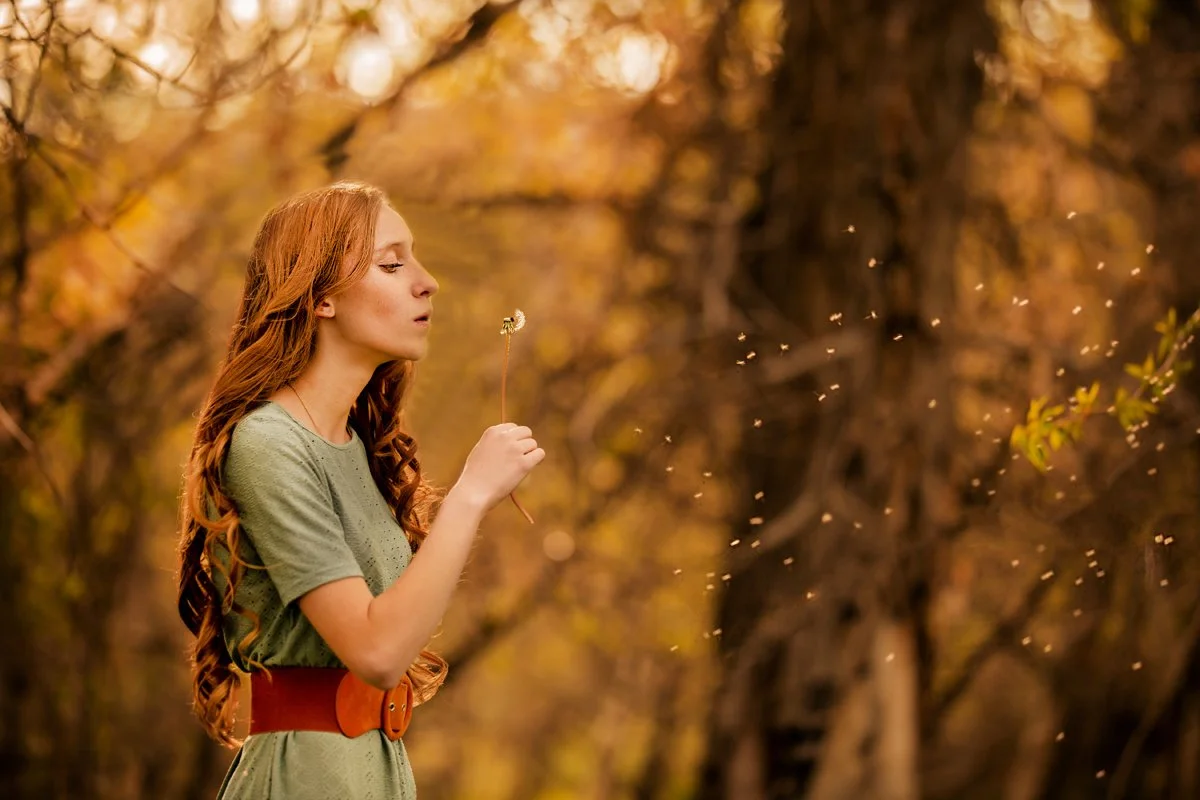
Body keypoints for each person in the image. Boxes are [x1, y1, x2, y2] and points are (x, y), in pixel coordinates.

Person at [175, 180, 545, 798]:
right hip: (307, 778)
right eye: (392, 265)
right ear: (320, 296)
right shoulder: (268, 444)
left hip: (376, 772)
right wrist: (470, 498)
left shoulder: (356, 448)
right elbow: (375, 651)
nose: (426, 282)